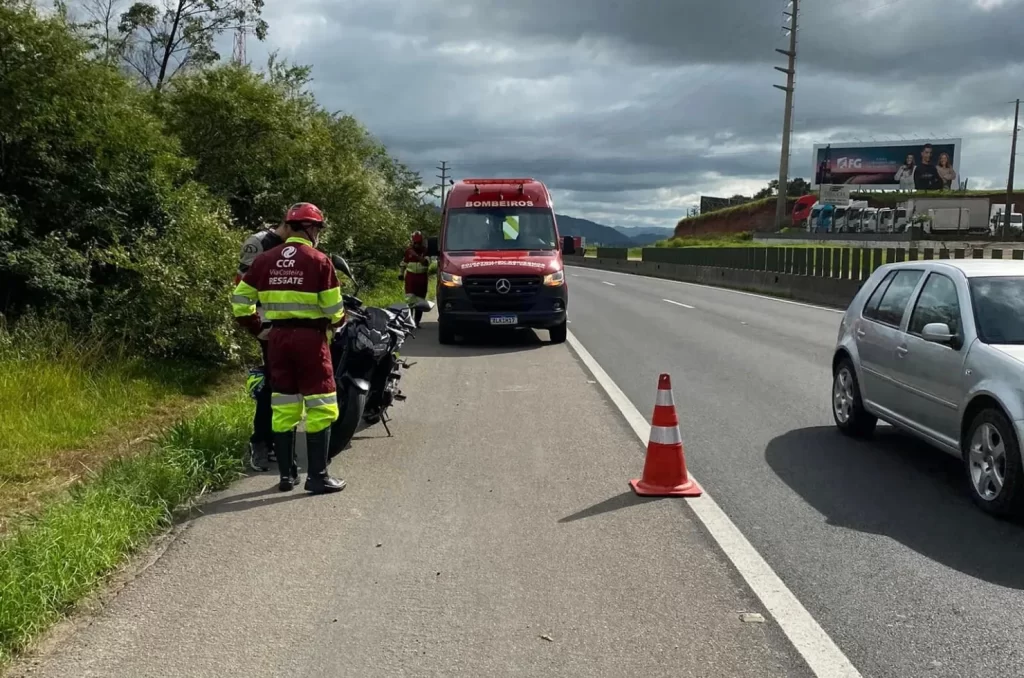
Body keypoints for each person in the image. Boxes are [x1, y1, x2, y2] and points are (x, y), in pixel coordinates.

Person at [231, 202, 347, 494]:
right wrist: (338, 322)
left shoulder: (265, 260)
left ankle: (287, 476)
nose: (319, 234)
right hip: (310, 340)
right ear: (309, 228)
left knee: (283, 407)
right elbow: (334, 309)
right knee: (321, 406)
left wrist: (259, 328)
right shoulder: (319, 260)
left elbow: (239, 301)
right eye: (318, 228)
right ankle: (317, 477)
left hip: (278, 340)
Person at [235, 220, 294, 472]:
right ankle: (260, 442)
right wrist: (257, 326)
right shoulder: (258, 243)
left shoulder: (297, 246)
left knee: (290, 386)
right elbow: (243, 288)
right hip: (269, 327)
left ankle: (280, 441)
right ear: (290, 225)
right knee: (273, 384)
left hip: (296, 327)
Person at [399, 231, 431, 328]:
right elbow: (403, 263)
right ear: (412, 242)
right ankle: (409, 321)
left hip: (422, 278)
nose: (417, 245)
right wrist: (400, 273)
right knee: (410, 300)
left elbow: (425, 263)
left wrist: (416, 255)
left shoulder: (425, 251)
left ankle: (417, 322)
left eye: (419, 243)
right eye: (415, 243)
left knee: (420, 301)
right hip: (411, 278)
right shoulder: (408, 251)